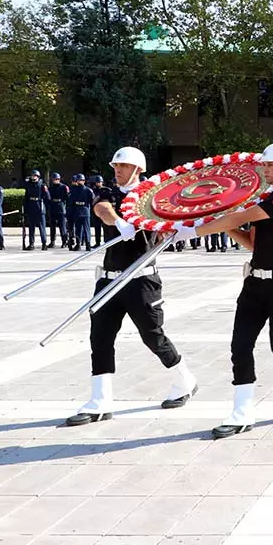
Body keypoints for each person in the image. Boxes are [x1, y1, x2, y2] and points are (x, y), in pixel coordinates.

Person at [174, 143, 273, 438]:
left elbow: (238, 217)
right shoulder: (267, 198)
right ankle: (242, 411)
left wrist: (194, 229)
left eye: (269, 165)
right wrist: (220, 224)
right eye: (264, 165)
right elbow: (251, 242)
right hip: (255, 283)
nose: (264, 169)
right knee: (240, 345)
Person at [65, 147, 196, 427]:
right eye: (115, 165)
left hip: (141, 280)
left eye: (123, 166)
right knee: (100, 338)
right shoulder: (111, 194)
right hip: (109, 278)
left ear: (138, 169)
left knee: (153, 336)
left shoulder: (153, 198)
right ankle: (101, 401)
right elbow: (101, 208)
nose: (117, 170)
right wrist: (119, 222)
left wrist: (173, 230)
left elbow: (171, 222)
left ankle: (184, 379)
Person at [22, 170, 50, 250]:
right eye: (32, 175)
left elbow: (48, 197)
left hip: (39, 208)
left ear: (38, 176)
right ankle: (31, 244)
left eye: (34, 175)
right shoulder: (29, 185)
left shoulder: (42, 185)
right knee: (31, 228)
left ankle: (44, 243)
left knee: (42, 227)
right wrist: (25, 209)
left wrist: (46, 208)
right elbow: (26, 197)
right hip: (31, 208)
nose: (33, 177)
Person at [67, 174, 93, 251]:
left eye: (82, 180)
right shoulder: (73, 190)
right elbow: (71, 202)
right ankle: (78, 244)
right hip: (77, 210)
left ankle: (88, 244)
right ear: (77, 181)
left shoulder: (88, 190)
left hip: (84, 210)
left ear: (84, 181)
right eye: (79, 180)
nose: (80, 182)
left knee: (87, 229)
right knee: (78, 229)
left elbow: (92, 200)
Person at [47, 173, 70, 248]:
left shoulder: (64, 187)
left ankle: (64, 241)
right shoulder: (50, 188)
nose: (56, 181)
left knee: (62, 226)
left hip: (61, 208)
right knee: (52, 226)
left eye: (57, 179)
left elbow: (67, 198)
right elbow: (48, 198)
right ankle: (52, 241)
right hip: (53, 208)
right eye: (54, 179)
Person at [89, 175, 107, 248]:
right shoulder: (93, 190)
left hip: (104, 212)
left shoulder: (106, 190)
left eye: (99, 182)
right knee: (97, 228)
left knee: (106, 228)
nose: (98, 183)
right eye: (97, 182)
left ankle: (106, 242)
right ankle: (97, 242)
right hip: (96, 211)